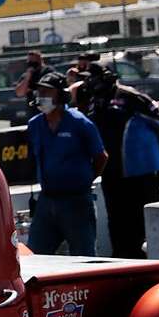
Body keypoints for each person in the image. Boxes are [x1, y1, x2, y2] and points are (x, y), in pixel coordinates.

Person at [84, 64, 159, 258]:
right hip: (112, 171)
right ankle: (122, 257)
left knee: (142, 219)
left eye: (94, 78)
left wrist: (150, 151)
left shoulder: (132, 97)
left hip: (142, 171)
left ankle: (148, 258)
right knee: (116, 218)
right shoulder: (95, 102)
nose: (91, 82)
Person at [26, 71, 107, 256]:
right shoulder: (35, 125)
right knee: (35, 256)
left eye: (48, 92)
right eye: (40, 92)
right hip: (46, 201)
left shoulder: (80, 123)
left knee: (84, 257)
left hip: (76, 201)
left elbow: (101, 157)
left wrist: (85, 180)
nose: (42, 97)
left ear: (61, 95)